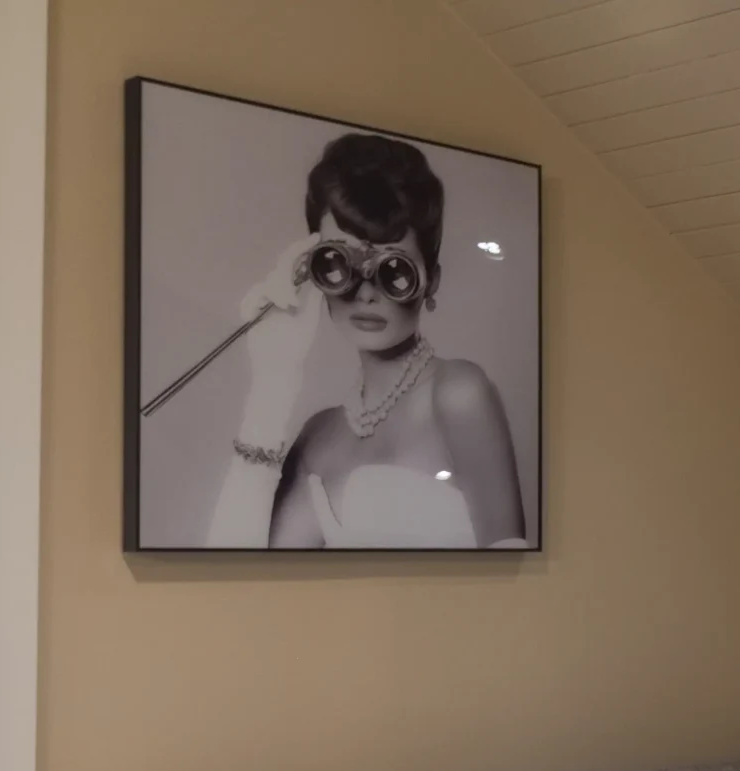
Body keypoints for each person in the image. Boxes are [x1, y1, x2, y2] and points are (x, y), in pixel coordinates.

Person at [206, 132, 527, 548]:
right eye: (339, 263)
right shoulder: (319, 436)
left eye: (395, 271)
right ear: (310, 269)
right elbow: (239, 583)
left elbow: (512, 574)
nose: (366, 291)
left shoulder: (459, 393)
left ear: (431, 282)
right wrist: (272, 382)